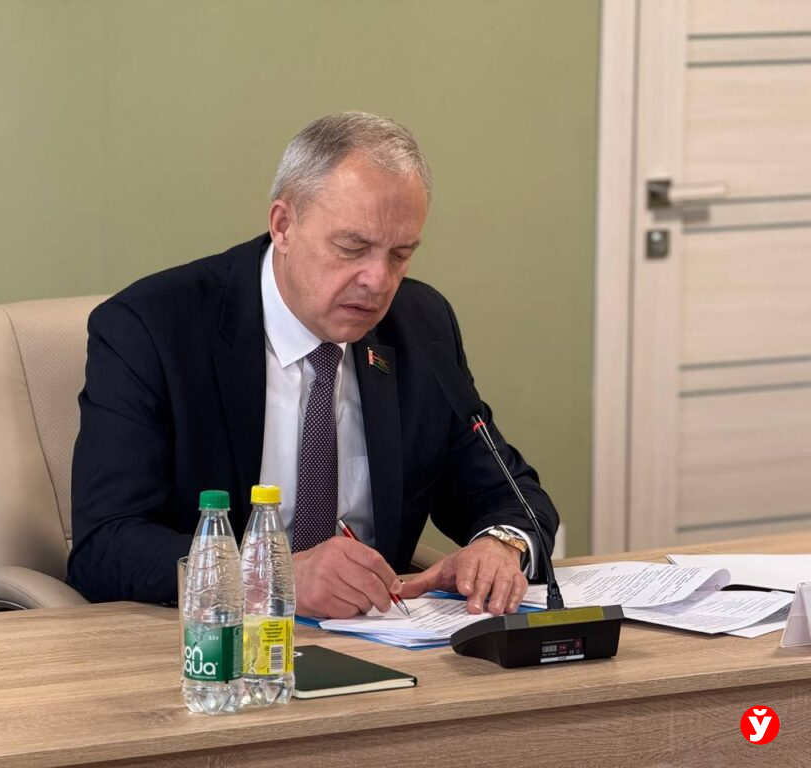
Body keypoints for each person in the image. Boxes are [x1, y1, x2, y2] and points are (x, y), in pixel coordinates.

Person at [68, 112, 559, 619]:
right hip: (207, 642)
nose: (378, 280)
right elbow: (107, 543)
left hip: (378, 642)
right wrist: (272, 576)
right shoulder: (151, 329)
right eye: (353, 247)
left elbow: (509, 492)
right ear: (284, 225)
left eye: (400, 254)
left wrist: (501, 545)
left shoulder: (419, 326)